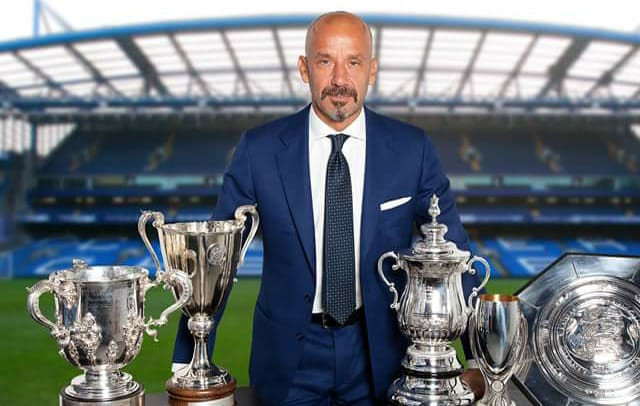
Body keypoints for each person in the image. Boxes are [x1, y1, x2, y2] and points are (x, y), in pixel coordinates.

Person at [172, 11, 485, 405]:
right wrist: (186, 362)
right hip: (289, 357)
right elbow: (215, 259)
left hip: (382, 354)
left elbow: (456, 253)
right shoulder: (259, 150)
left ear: (372, 70)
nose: (340, 79)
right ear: (305, 69)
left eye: (353, 62)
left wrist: (477, 355)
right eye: (325, 61)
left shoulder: (412, 149)